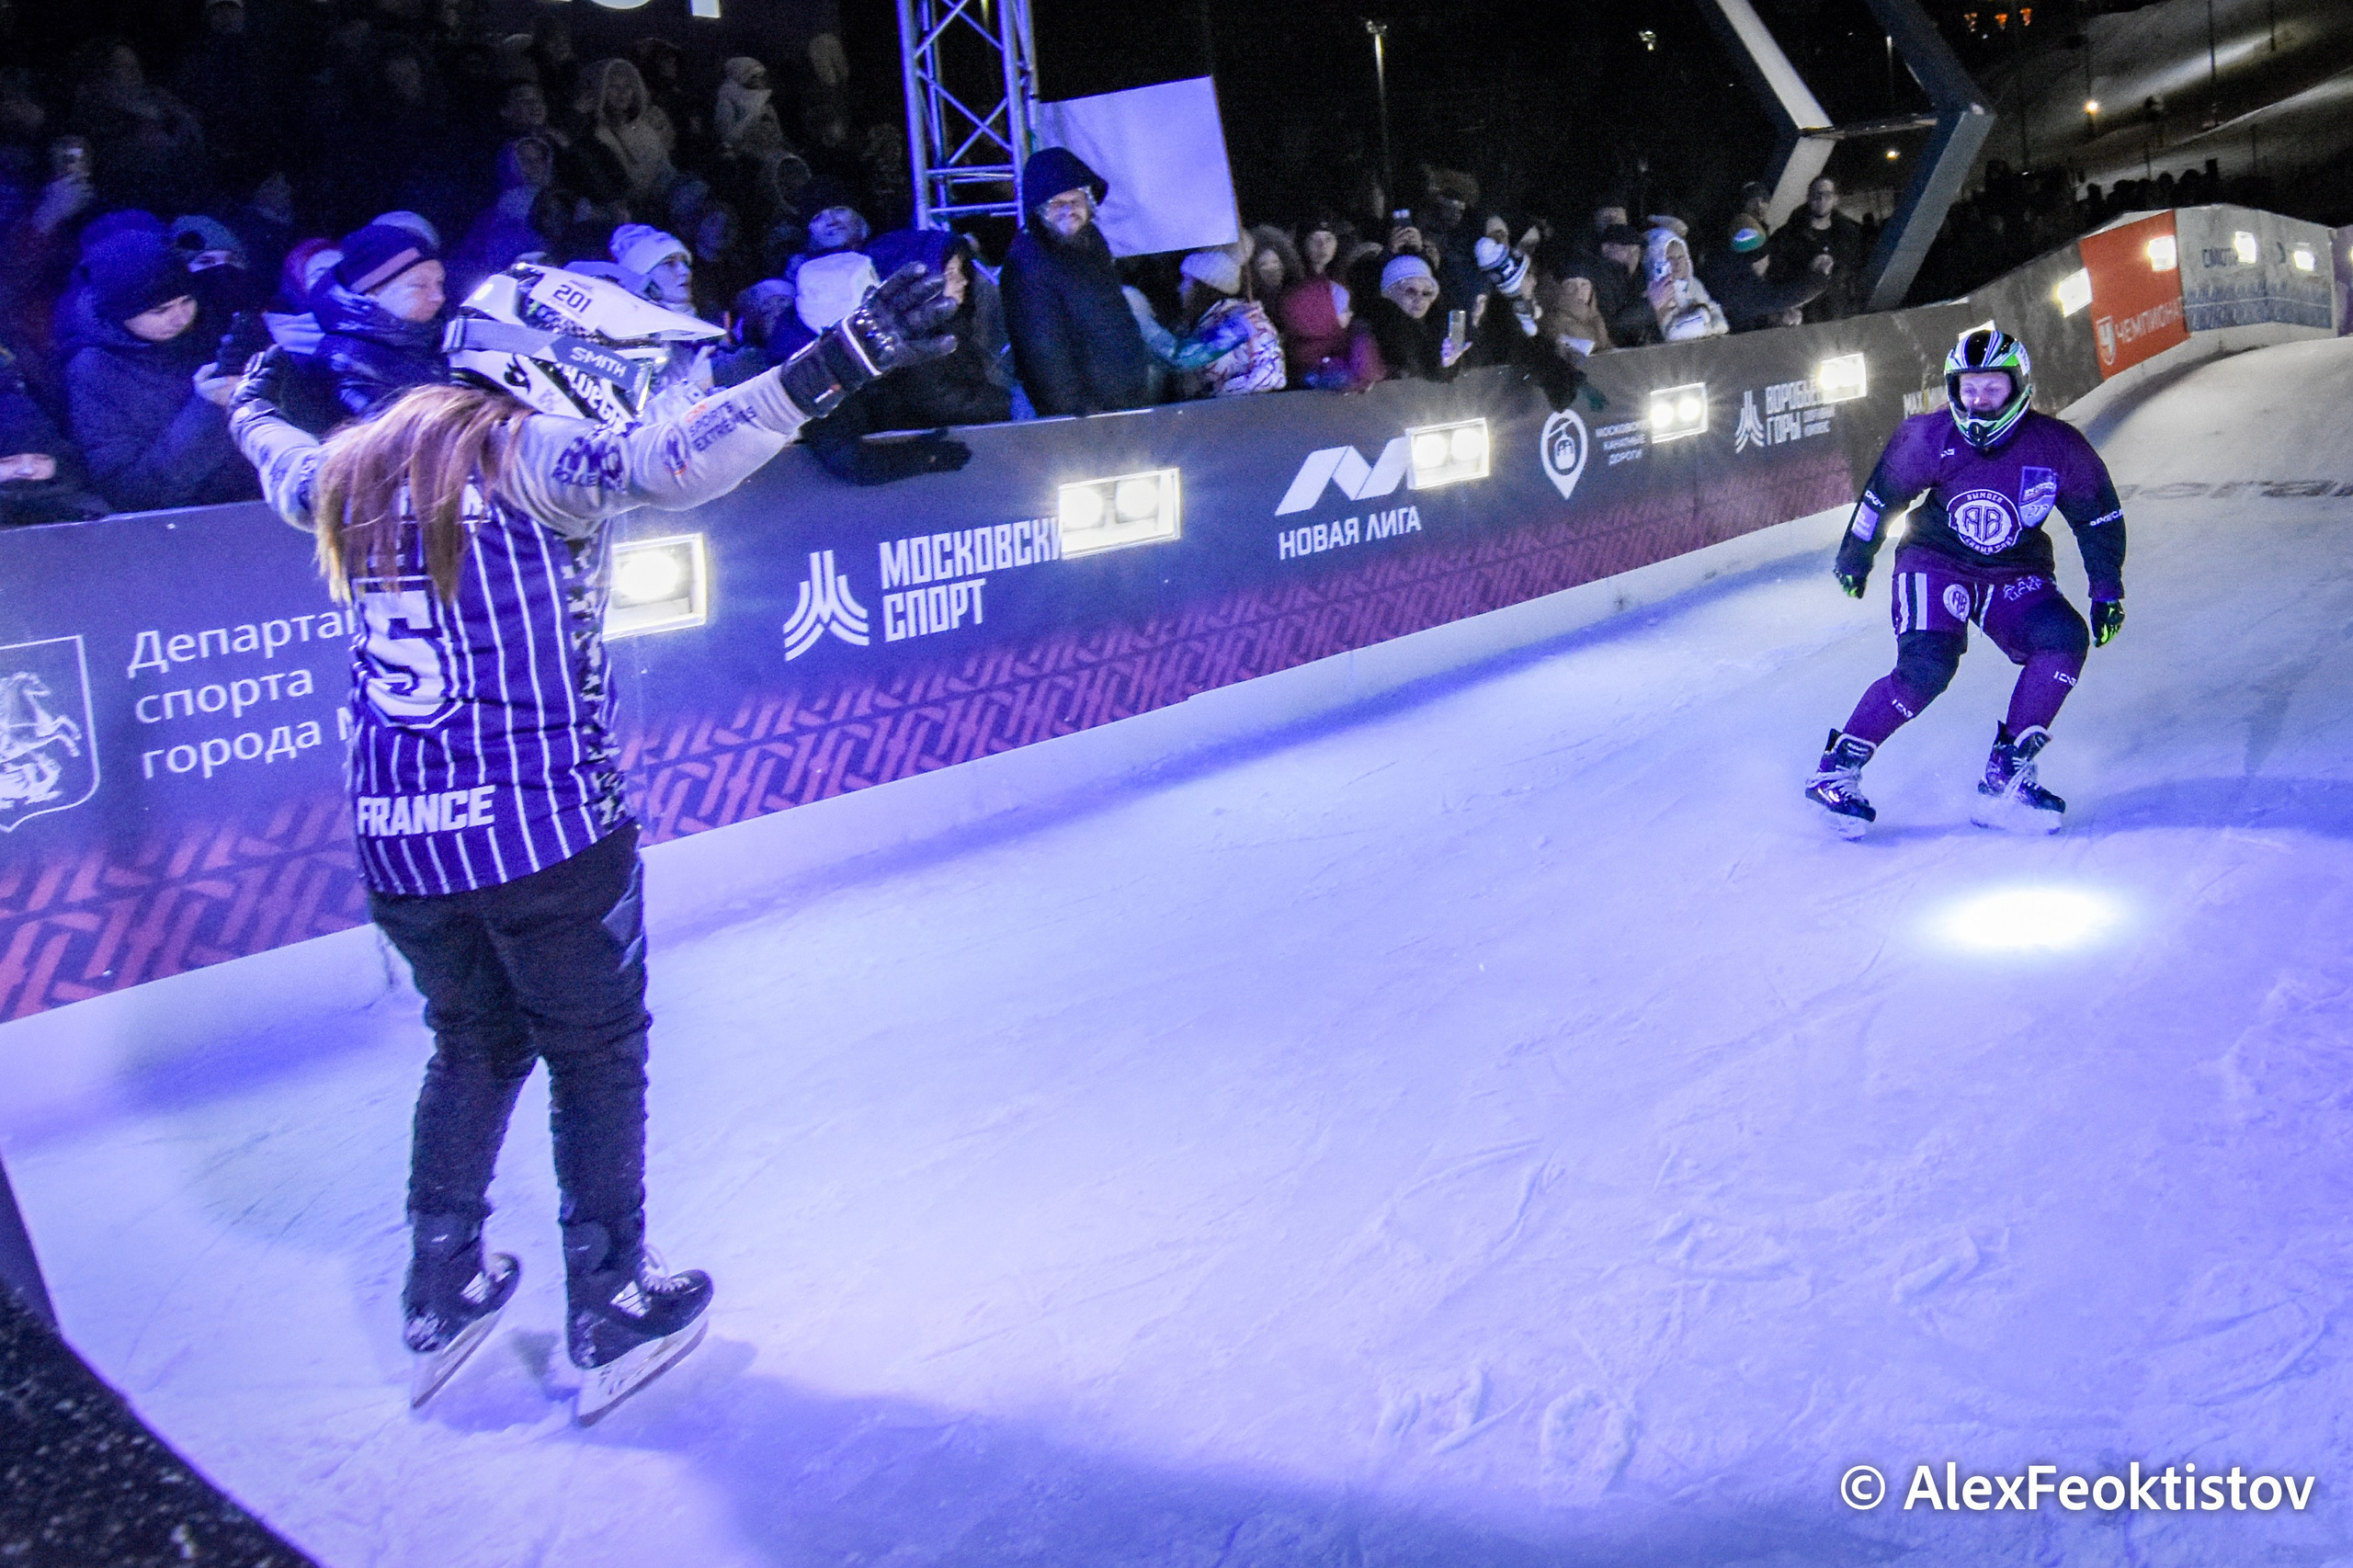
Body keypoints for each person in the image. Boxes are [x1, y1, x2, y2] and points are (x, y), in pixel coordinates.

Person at [225, 259, 960, 1419]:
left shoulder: (350, 463)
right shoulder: (523, 452)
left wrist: (246, 402)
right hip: (544, 828)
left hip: (400, 842)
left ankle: (441, 1284)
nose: (620, 390)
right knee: (595, 1052)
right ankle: (612, 1296)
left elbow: (277, 455)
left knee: (472, 1042)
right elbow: (671, 461)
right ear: (544, 364)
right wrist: (842, 359)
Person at [1806, 327, 2127, 836]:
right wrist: (1855, 556)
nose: (1978, 401)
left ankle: (2006, 774)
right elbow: (1881, 498)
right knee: (1926, 667)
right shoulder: (1927, 437)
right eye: (1968, 388)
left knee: (2063, 640)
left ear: (2019, 386)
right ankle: (1835, 772)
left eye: (1992, 388)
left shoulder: (2058, 446)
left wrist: (2106, 588)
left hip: (2014, 572)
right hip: (1935, 562)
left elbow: (2097, 519)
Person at [64, 229, 254, 513]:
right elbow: (130, 493)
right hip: (181, 525)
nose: (180, 318)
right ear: (120, 313)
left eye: (186, 300)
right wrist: (209, 408)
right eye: (160, 310)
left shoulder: (220, 331)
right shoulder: (95, 371)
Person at [1000, 146, 1153, 416]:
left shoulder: (1091, 240)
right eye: (1057, 203)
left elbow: (1115, 313)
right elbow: (1041, 350)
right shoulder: (1028, 261)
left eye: (1076, 200)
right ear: (1039, 209)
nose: (1069, 210)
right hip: (1086, 414)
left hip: (1123, 399)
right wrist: (1072, 411)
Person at [313, 222, 449, 422]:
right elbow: (396, 434)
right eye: (419, 285)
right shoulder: (346, 361)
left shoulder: (439, 335)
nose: (439, 297)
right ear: (372, 292)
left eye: (439, 283)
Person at [1176, 248, 1284, 398]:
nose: (1180, 287)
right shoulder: (1193, 325)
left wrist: (1219, 394)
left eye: (1186, 280)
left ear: (1203, 287)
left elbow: (1272, 375)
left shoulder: (1252, 321)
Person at [1347, 254, 1465, 388]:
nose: (1420, 300)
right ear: (1389, 292)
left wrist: (1448, 362)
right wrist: (1442, 365)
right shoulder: (1378, 327)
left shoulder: (1434, 327)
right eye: (1411, 292)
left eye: (1426, 293)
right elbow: (1414, 368)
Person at [1769, 176, 1865, 321]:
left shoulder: (1848, 235)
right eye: (1816, 194)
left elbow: (1856, 271)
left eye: (1827, 195)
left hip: (1839, 312)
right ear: (1808, 198)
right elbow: (1775, 273)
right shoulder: (1787, 235)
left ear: (1836, 199)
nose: (1821, 200)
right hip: (1801, 313)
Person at [1701, 222, 1825, 332]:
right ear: (1756, 261)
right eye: (1766, 257)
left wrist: (1777, 317)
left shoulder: (1724, 268)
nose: (1768, 262)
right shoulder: (1738, 287)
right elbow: (1776, 298)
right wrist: (1820, 279)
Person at [1643, 229, 1728, 341]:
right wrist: (1704, 317)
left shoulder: (1694, 284)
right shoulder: (1657, 291)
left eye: (1681, 257)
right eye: (1670, 258)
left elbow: (1720, 322)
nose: (1677, 263)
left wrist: (1703, 323)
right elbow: (1672, 333)